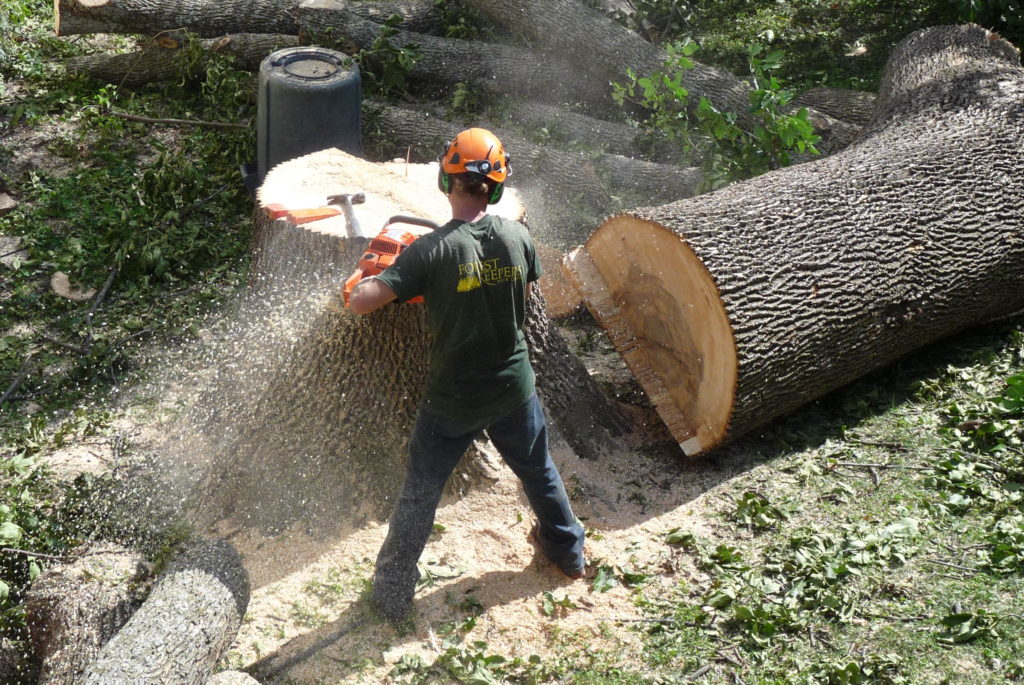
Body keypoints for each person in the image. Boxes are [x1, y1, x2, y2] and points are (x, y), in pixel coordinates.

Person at [347, 127, 586, 622]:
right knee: (538, 470)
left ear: (444, 179)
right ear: (495, 188)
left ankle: (392, 594)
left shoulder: (426, 252)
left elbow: (362, 302)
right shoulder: (518, 236)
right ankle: (568, 554)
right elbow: (514, 284)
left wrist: (375, 271)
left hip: (451, 399)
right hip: (513, 387)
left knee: (421, 488)